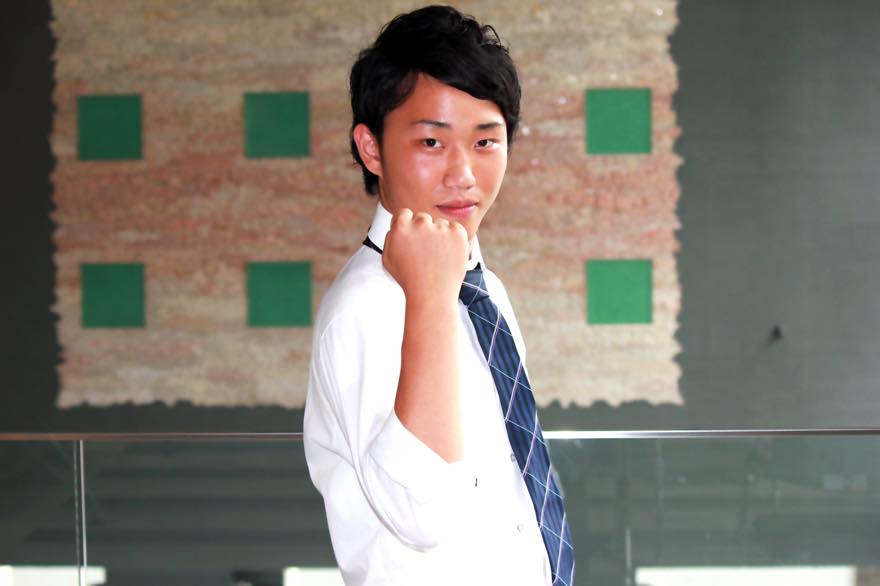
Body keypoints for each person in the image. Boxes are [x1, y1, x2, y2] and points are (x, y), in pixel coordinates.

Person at [303, 5, 574, 585]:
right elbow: (421, 512)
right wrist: (428, 298)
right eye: (431, 141)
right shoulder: (368, 305)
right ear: (371, 148)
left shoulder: (482, 289)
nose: (464, 174)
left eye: (486, 141)